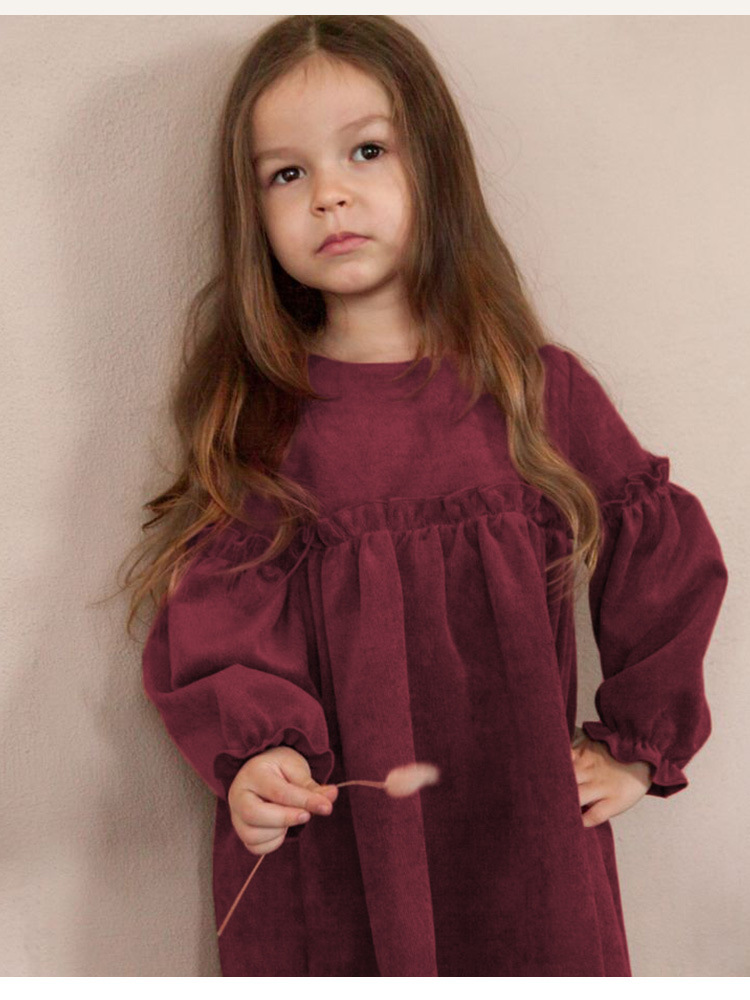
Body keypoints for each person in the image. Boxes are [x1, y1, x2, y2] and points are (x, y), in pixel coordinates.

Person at [131, 16, 728, 976]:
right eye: (286, 174)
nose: (329, 194)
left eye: (367, 151)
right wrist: (258, 760)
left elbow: (662, 559)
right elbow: (218, 615)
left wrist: (636, 745)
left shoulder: (536, 394)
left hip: (524, 846)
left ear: (435, 166)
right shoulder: (263, 423)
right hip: (337, 863)